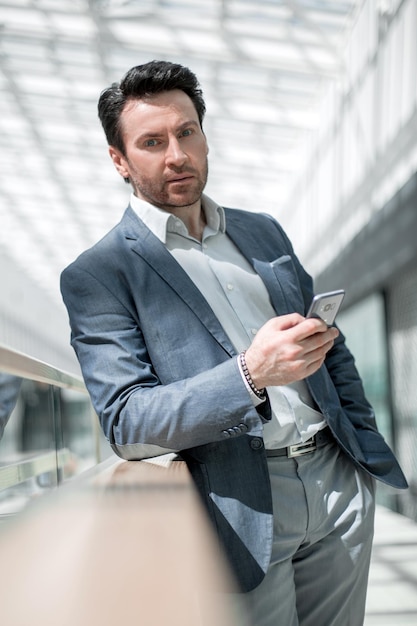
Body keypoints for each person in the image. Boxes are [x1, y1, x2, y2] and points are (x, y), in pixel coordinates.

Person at [60, 60, 407, 626]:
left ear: (203, 133)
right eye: (151, 142)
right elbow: (126, 420)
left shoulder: (262, 230)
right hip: (239, 504)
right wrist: (249, 374)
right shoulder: (99, 274)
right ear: (119, 160)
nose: (176, 154)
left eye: (186, 132)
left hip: (337, 480)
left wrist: (358, 453)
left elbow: (331, 347)